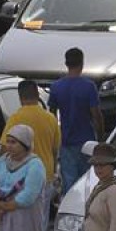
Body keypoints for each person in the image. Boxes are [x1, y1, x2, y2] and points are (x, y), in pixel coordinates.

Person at [0, 80, 60, 226]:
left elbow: (4, 148)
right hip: (45, 174)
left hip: (23, 176)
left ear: (20, 97)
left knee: (25, 219)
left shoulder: (16, 118)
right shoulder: (50, 119)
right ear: (38, 95)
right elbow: (55, 148)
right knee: (42, 216)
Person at [48, 48, 105, 193]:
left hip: (66, 141)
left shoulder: (56, 87)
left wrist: (55, 139)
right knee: (88, 181)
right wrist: (101, 138)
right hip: (87, 140)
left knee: (69, 184)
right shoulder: (89, 86)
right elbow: (96, 115)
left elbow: (52, 116)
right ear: (82, 64)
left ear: (66, 63)